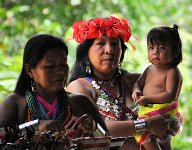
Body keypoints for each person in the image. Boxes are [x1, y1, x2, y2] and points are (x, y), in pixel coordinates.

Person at [66, 16, 180, 149]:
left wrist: (175, 123)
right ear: (86, 52)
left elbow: (170, 110)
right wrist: (146, 125)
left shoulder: (135, 80)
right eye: (100, 43)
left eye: (115, 44)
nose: (109, 50)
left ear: (122, 50)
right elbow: (94, 126)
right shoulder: (79, 86)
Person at [0, 34, 108, 144]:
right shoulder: (16, 103)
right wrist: (36, 126)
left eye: (63, 65)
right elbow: (3, 136)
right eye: (50, 67)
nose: (60, 71)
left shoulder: (80, 102)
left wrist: (94, 129)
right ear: (29, 70)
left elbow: (110, 142)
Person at [132, 25, 183, 150]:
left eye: (162, 48)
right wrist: (136, 91)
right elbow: (138, 83)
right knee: (159, 140)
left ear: (175, 51)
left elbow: (170, 94)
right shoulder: (149, 69)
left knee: (142, 132)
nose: (156, 52)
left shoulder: (172, 72)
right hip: (148, 111)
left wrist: (147, 99)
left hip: (164, 113)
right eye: (151, 47)